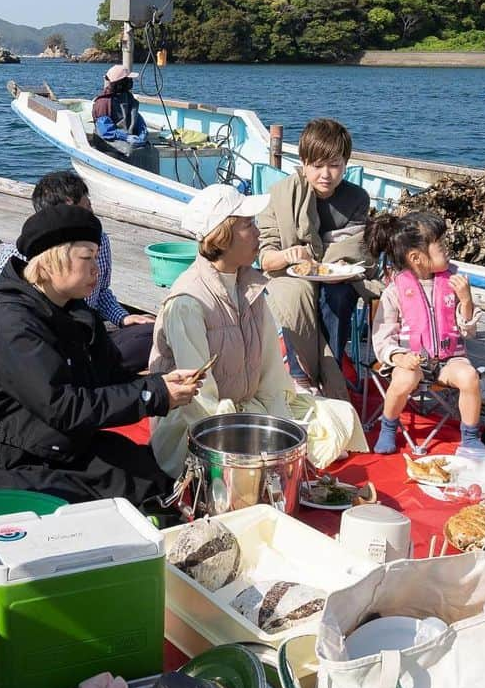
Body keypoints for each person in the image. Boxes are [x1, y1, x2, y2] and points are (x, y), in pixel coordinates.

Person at [0, 205, 198, 507]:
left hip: (53, 440)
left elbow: (110, 379)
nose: (97, 268)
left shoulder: (78, 314)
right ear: (53, 261)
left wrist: (162, 382)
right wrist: (153, 394)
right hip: (1, 455)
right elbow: (63, 407)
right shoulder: (14, 326)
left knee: (152, 479)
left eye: (97, 257)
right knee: (96, 507)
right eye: (87, 258)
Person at [148, 184, 366, 478]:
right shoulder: (188, 303)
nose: (258, 232)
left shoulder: (249, 287)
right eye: (248, 225)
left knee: (339, 416)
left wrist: (280, 424)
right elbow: (200, 401)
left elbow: (271, 375)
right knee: (275, 454)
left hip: (246, 408)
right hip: (201, 426)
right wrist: (266, 435)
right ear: (221, 237)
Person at [0, 170, 155, 372]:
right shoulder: (32, 252)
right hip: (47, 347)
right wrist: (6, 342)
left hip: (86, 336)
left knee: (155, 333)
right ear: (68, 207)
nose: (92, 212)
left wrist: (122, 317)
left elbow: (101, 292)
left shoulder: (99, 239)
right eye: (87, 206)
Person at [257, 119, 371, 401]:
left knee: (338, 294)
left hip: (337, 274)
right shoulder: (282, 194)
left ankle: (327, 373)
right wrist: (288, 255)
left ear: (345, 164)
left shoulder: (356, 198)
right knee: (297, 295)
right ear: (304, 163)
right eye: (317, 166)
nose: (326, 175)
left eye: (334, 165)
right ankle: (301, 375)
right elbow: (265, 256)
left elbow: (356, 247)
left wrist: (327, 262)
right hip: (289, 274)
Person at [365, 211, 482, 454]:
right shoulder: (395, 290)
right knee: (405, 378)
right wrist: (399, 357)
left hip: (449, 360)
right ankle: (389, 426)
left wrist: (466, 301)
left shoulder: (453, 282)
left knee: (469, 376)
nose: (446, 249)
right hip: (412, 361)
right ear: (416, 257)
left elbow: (468, 332)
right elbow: (382, 337)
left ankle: (470, 437)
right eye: (440, 245)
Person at [92, 66, 158, 171]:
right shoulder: (103, 102)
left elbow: (136, 117)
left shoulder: (128, 97)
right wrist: (126, 137)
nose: (131, 82)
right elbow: (105, 131)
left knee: (151, 150)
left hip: (126, 135)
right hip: (108, 140)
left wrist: (142, 133)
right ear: (120, 82)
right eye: (128, 79)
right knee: (131, 151)